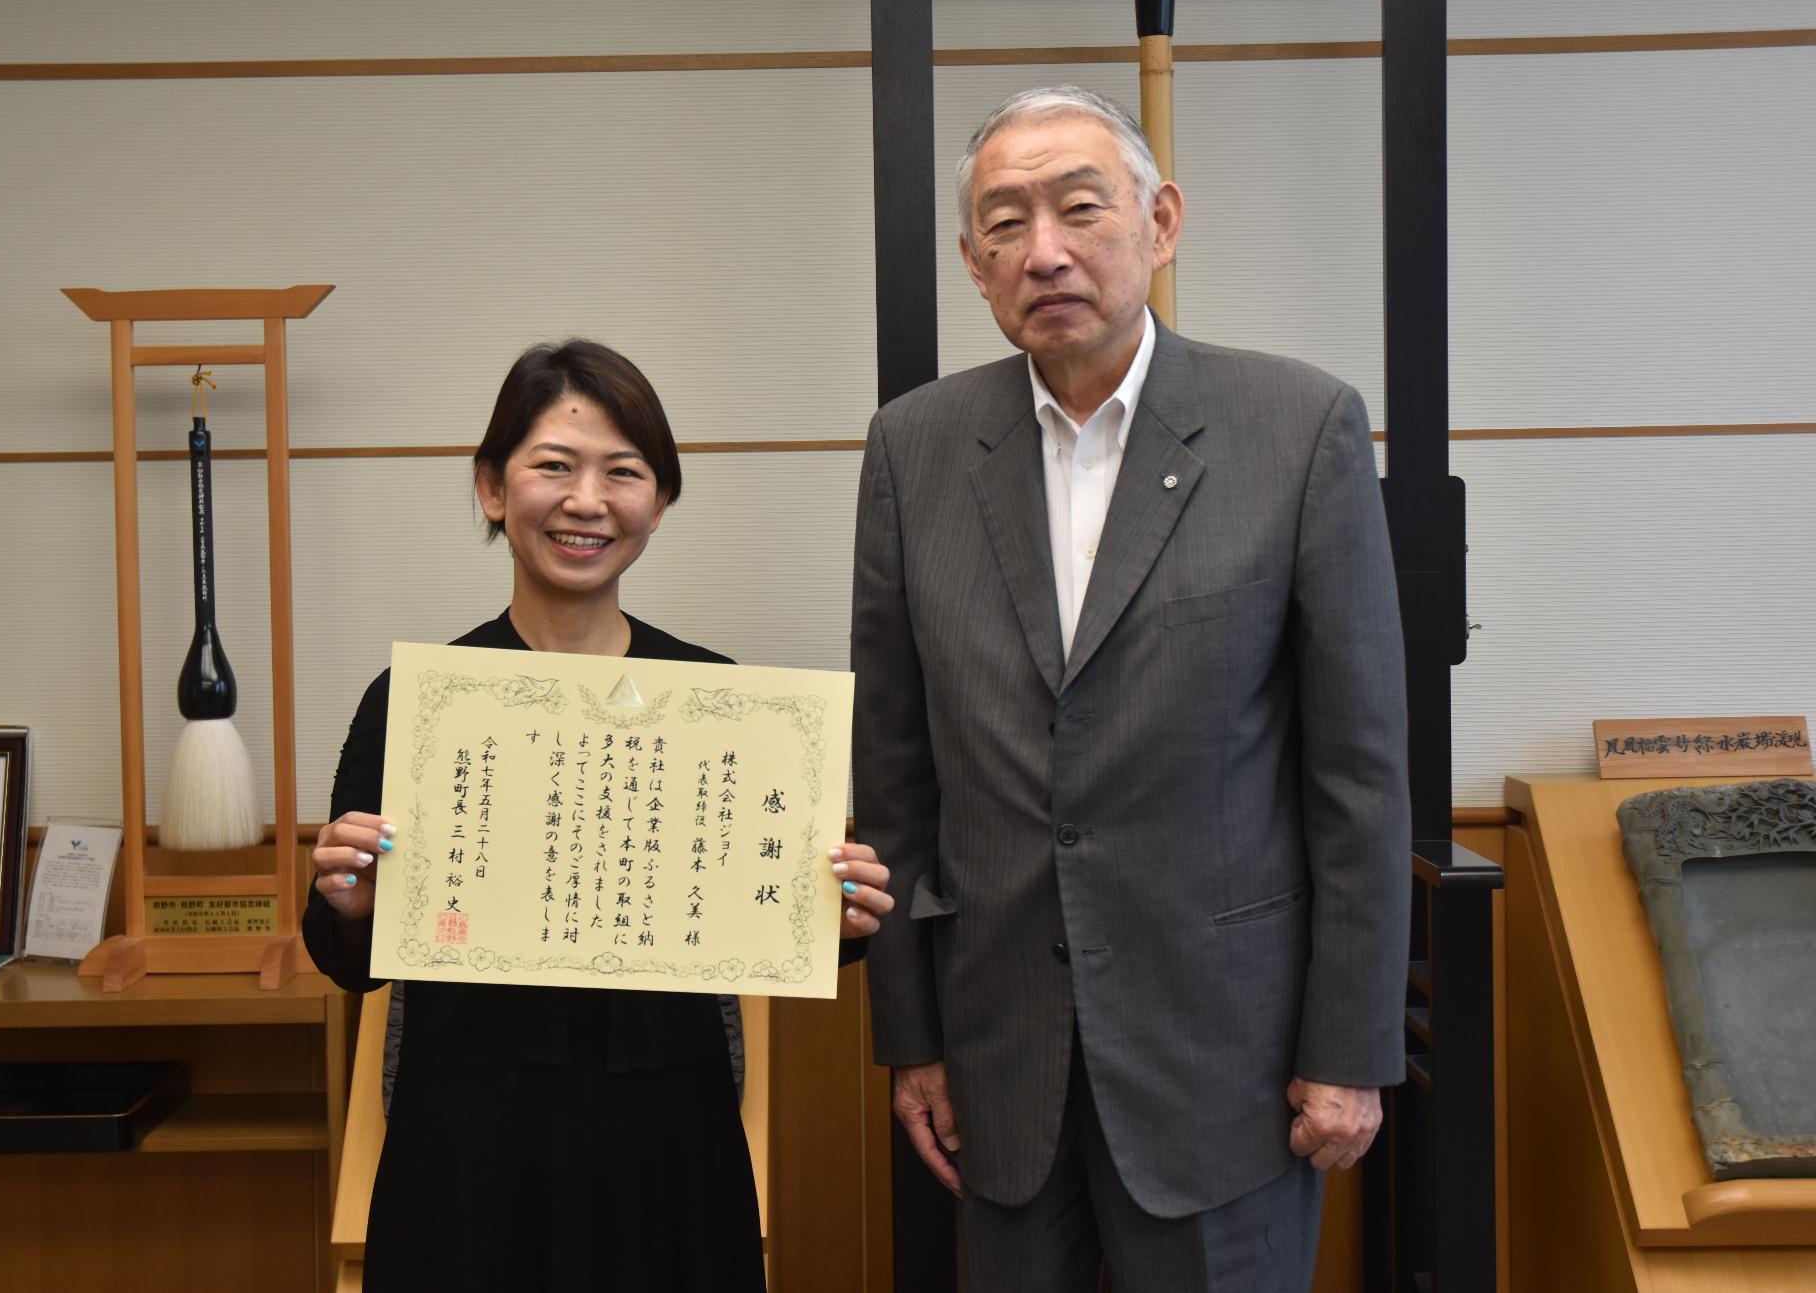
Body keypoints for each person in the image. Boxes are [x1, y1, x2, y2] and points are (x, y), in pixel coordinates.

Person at [852, 85, 1409, 1290]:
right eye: (1002, 224)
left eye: (1077, 207)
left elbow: (1356, 772)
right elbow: (890, 769)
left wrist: (1349, 1048)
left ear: (1159, 221)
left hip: (1230, 1063)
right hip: (998, 1059)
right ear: (970, 262)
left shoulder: (1296, 427)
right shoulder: (913, 448)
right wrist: (912, 1038)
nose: (1041, 249)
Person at [305, 339, 892, 1292]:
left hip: (668, 1146)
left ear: (659, 503)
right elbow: (341, 957)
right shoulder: (419, 703)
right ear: (494, 489)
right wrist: (349, 897)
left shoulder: (718, 701)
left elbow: (777, 928)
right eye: (553, 466)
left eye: (625, 472)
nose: (588, 501)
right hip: (467, 1155)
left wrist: (844, 913)